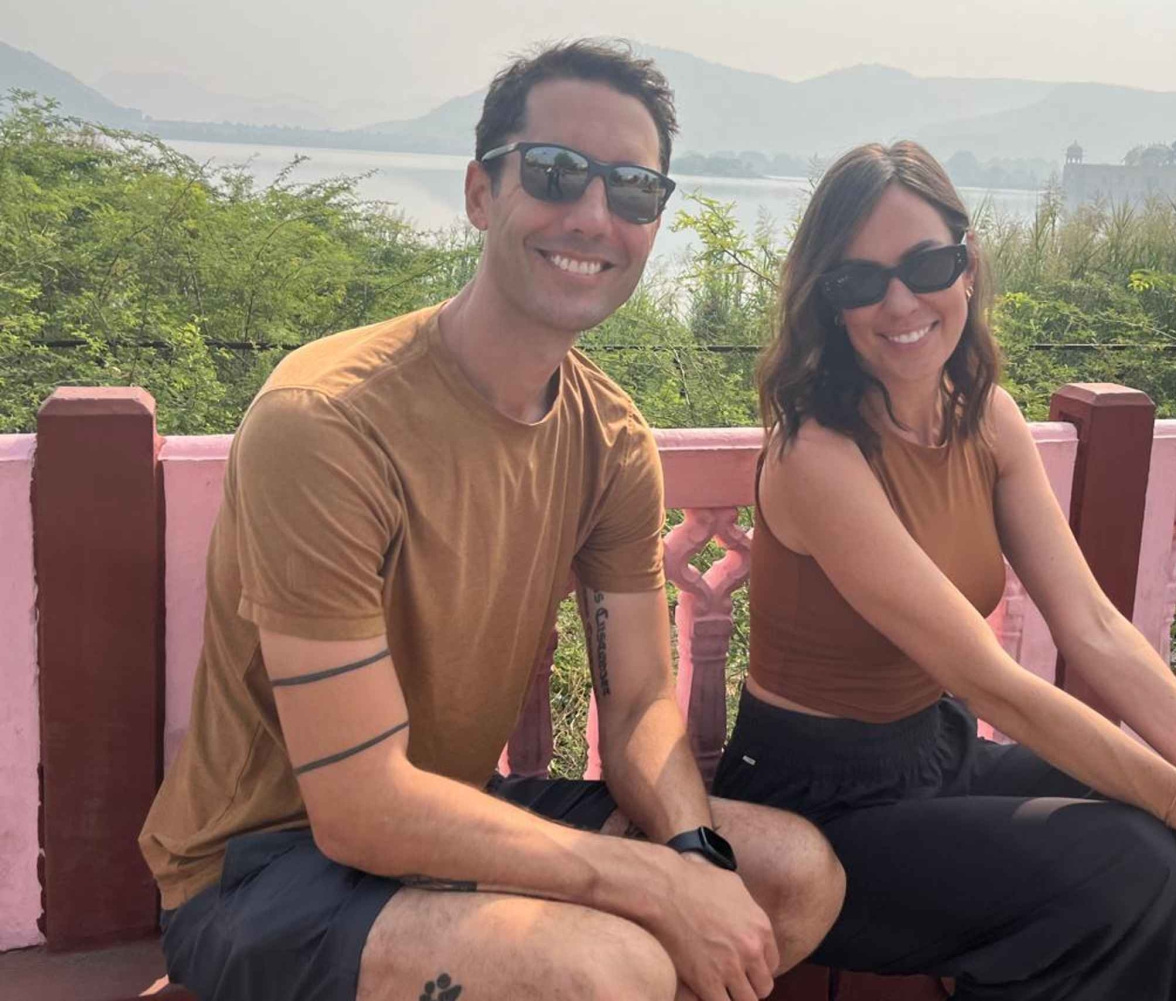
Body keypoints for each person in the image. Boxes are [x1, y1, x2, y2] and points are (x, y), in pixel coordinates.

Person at [138, 40, 844, 1001]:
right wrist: (647, 883)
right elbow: (359, 804)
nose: (592, 214)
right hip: (263, 863)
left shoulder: (609, 439)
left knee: (794, 874)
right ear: (480, 193)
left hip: (456, 812)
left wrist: (693, 852)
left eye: (634, 190)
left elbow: (639, 700)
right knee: (609, 969)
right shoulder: (330, 422)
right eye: (555, 173)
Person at [710, 140, 1176, 1001]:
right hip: (820, 801)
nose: (900, 302)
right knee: (1127, 862)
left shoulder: (986, 418)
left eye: (927, 265)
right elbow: (993, 681)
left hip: (938, 754)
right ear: (827, 300)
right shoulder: (816, 455)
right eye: (860, 280)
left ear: (968, 264)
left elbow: (1095, 628)